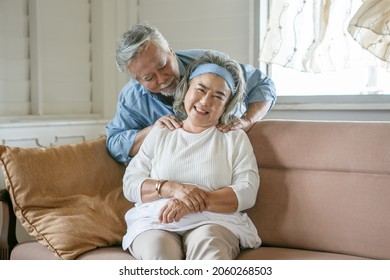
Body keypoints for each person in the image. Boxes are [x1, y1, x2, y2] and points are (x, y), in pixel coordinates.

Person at [121, 51, 261, 260]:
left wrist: (191, 202)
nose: (205, 101)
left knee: (209, 245)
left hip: (214, 222)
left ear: (226, 105)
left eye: (218, 96)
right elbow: (131, 184)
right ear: (186, 89)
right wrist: (172, 189)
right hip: (156, 221)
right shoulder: (161, 132)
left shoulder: (234, 138)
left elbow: (247, 191)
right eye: (200, 89)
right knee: (157, 252)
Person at [106, 23, 277, 163]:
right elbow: (114, 144)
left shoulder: (212, 64)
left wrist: (248, 120)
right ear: (138, 81)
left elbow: (263, 84)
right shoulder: (131, 98)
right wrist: (154, 131)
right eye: (149, 77)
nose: (162, 79)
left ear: (170, 51)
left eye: (163, 65)